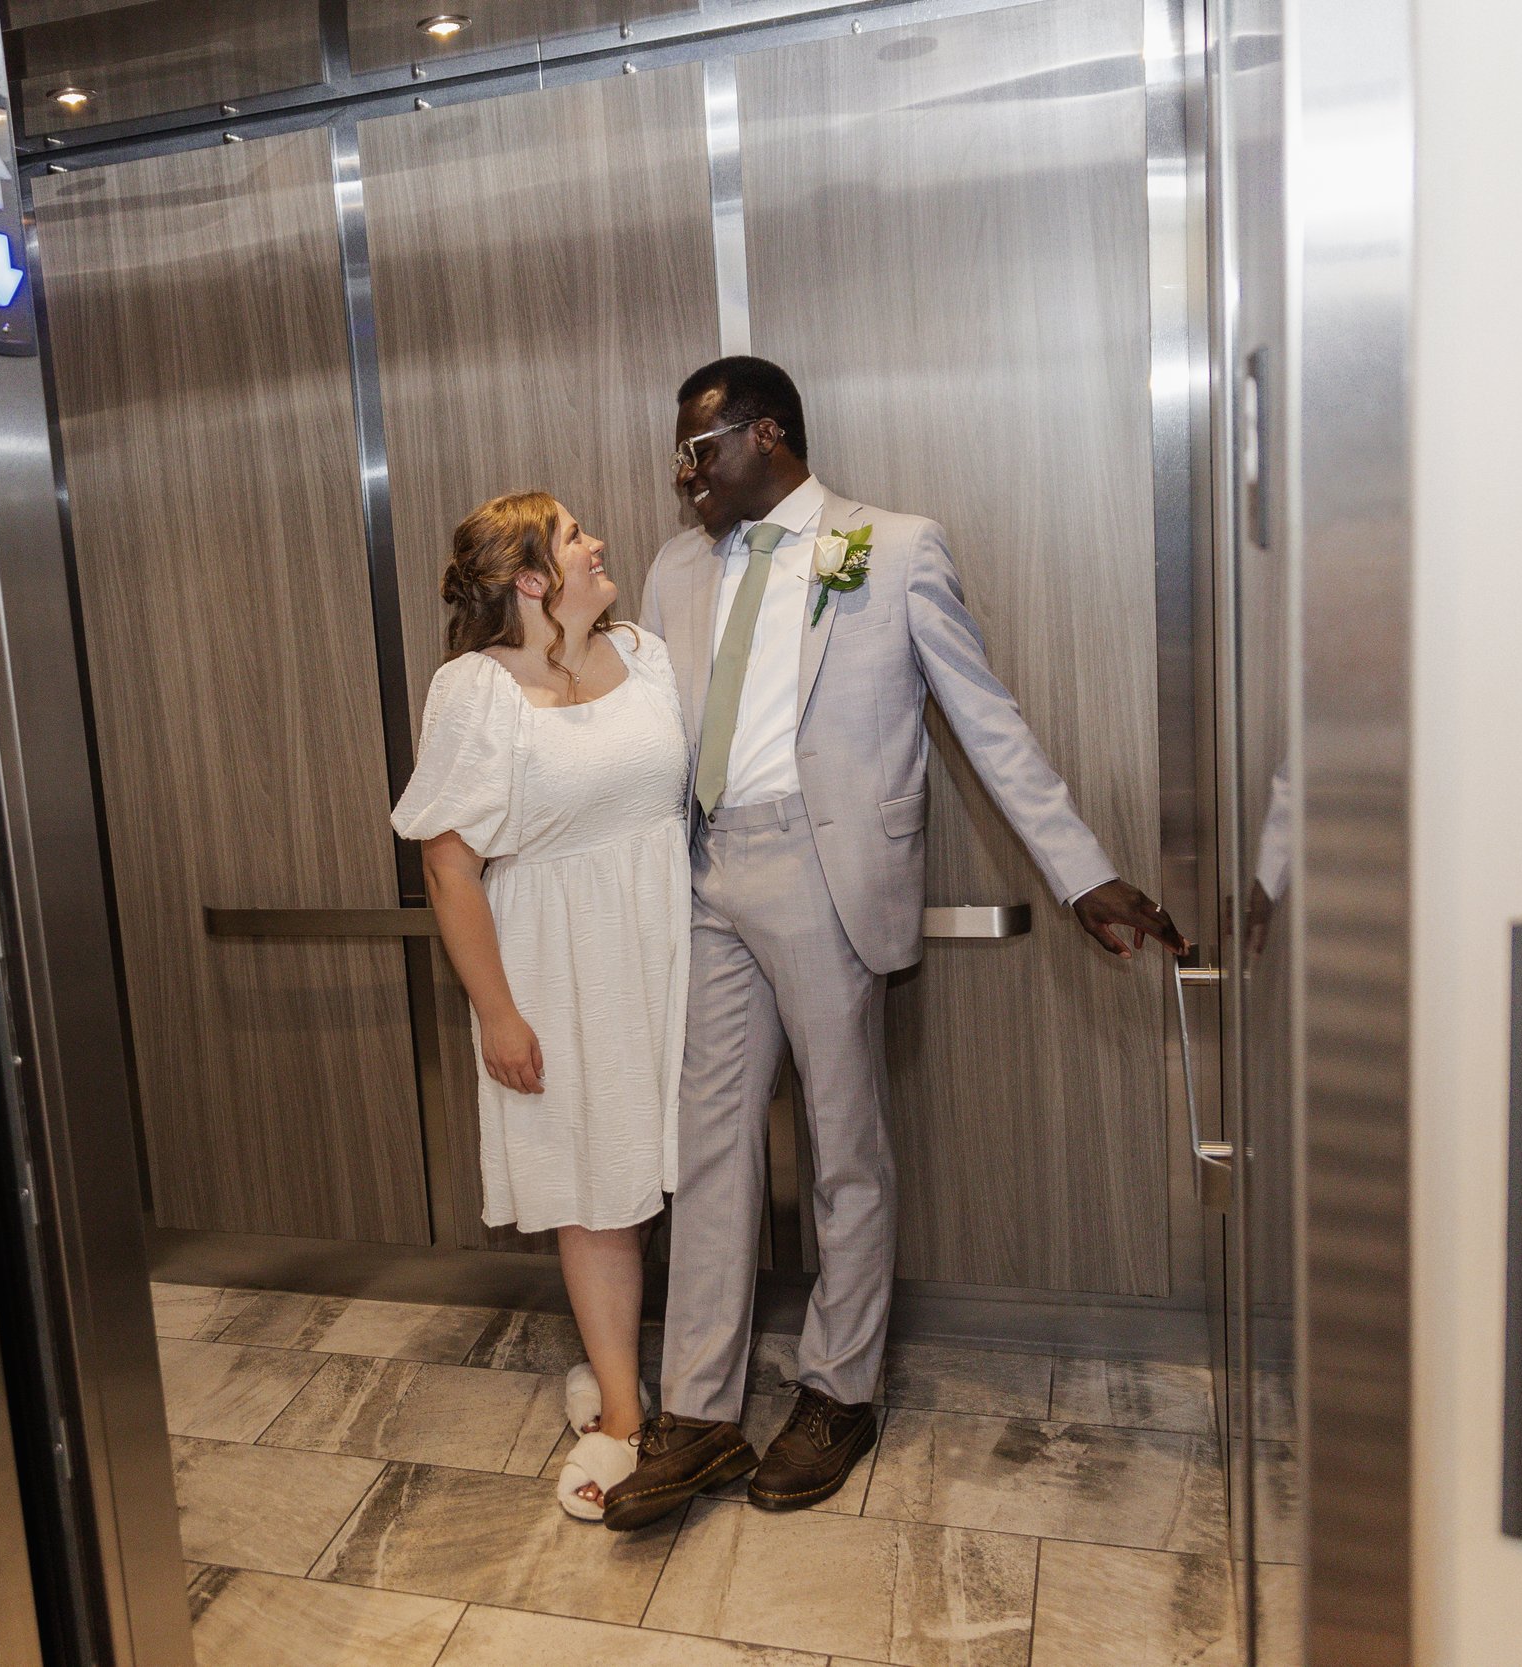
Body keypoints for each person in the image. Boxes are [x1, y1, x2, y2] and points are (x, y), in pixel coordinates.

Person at [601, 357, 1185, 1530]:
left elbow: (986, 718)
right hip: (707, 872)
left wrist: (1079, 871)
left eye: (697, 451)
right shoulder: (674, 566)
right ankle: (702, 1410)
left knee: (842, 1145)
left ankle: (839, 1387)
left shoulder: (892, 545)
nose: (683, 477)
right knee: (706, 1148)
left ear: (766, 436)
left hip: (827, 872)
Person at [391, 491, 692, 1521]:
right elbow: (448, 864)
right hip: (558, 967)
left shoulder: (646, 655)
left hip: (671, 946)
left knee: (683, 1164)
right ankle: (620, 1413)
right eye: (571, 535)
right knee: (593, 1186)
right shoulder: (476, 690)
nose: (595, 541)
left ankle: (682, 1380)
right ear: (528, 578)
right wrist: (497, 1013)